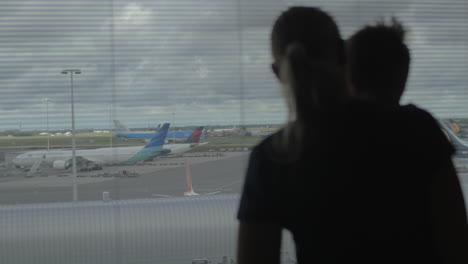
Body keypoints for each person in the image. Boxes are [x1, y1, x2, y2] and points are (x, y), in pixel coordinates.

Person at [236, 7, 468, 264]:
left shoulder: (272, 156)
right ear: (343, 55)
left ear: (277, 72)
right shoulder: (415, 128)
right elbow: (456, 244)